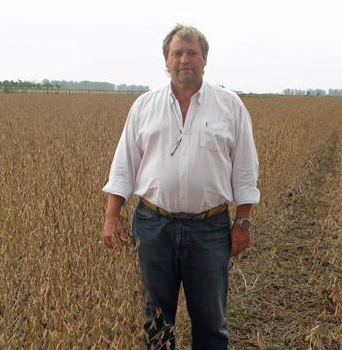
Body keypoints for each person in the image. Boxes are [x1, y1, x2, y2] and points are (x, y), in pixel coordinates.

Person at [102, 24, 260, 350]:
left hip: (210, 228)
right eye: (177, 53)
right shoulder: (144, 106)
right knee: (154, 322)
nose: (184, 59)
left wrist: (242, 222)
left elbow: (245, 169)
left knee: (211, 322)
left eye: (192, 53)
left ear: (204, 59)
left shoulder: (230, 106)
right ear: (166, 60)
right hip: (152, 227)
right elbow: (124, 165)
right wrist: (112, 217)